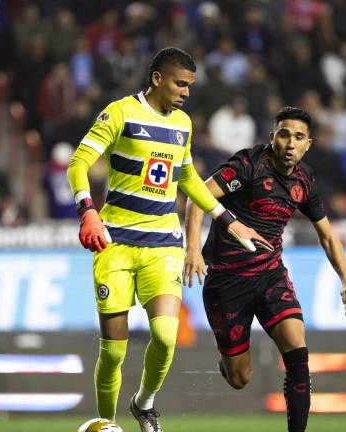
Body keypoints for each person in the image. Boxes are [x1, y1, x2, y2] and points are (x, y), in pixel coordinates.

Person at [67, 47, 270, 432]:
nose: (186, 93)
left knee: (165, 334)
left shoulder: (183, 124)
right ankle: (106, 424)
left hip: (163, 242)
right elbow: (78, 161)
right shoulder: (120, 113)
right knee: (113, 352)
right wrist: (87, 210)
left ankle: (144, 403)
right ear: (158, 78)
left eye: (190, 86)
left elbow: (187, 177)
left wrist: (226, 219)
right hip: (116, 243)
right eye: (180, 84)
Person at [183, 107, 346, 432]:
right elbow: (197, 198)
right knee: (239, 378)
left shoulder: (304, 180)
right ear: (273, 137)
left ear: (309, 144)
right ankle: (228, 360)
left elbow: (328, 235)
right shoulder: (248, 165)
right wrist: (193, 250)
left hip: (270, 274)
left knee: (296, 347)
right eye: (284, 134)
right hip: (226, 281)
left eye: (299, 137)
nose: (291, 143)